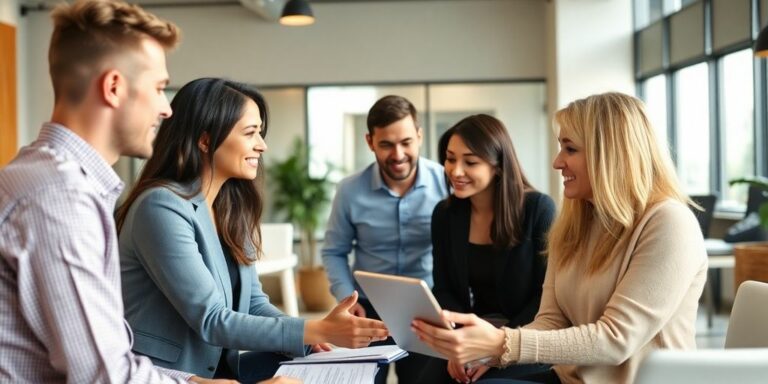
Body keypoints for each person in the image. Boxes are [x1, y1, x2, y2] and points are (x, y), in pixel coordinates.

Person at [0, 1, 292, 383]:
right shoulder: (59, 199)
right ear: (114, 87)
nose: (166, 110)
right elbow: (104, 375)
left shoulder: (55, 181)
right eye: (158, 89)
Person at [412, 92, 708, 384]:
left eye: (570, 149)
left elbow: (616, 339)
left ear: (608, 153)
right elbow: (551, 320)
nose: (557, 162)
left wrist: (500, 344)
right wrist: (485, 352)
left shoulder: (670, 223)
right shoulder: (577, 222)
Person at [116, 77, 389, 383]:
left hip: (222, 369)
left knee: (356, 371)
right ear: (205, 140)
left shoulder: (229, 207)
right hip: (171, 374)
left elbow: (254, 302)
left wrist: (307, 339)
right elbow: (212, 320)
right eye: (251, 133)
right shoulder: (161, 207)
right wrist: (318, 327)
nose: (262, 145)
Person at [322, 95, 449, 383]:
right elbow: (334, 251)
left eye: (406, 142)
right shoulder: (349, 191)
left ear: (419, 136)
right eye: (386, 144)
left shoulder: (446, 183)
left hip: (427, 306)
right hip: (368, 305)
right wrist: (346, 295)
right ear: (370, 142)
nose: (398, 154)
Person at [419, 114, 555, 383]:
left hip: (525, 337)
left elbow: (546, 298)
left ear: (498, 166)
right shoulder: (445, 215)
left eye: (470, 162)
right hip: (473, 333)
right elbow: (444, 288)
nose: (456, 171)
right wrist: (460, 345)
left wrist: (494, 349)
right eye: (450, 158)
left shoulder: (538, 209)